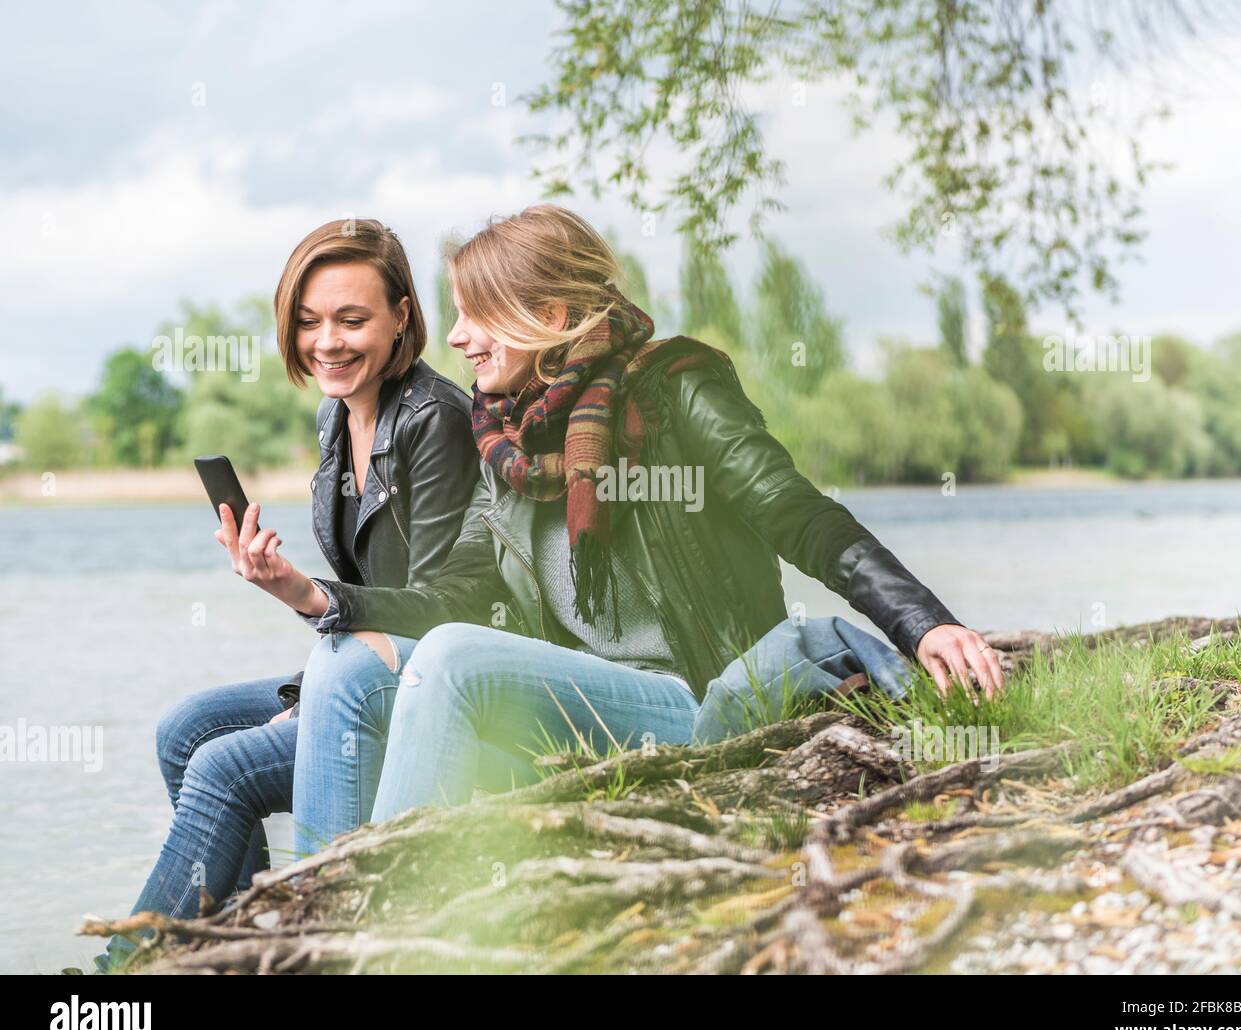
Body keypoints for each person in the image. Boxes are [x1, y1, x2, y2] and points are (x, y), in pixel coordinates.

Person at [292, 203, 1004, 833]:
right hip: (577, 706)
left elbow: (798, 513)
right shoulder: (506, 442)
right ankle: (325, 901)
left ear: (550, 318)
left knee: (451, 657)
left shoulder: (673, 390)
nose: (456, 336)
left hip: (691, 700)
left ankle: (386, 912)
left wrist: (923, 621)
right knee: (345, 664)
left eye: (476, 314)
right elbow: (459, 593)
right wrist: (329, 602)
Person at [94, 219, 479, 972]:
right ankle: (240, 944)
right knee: (184, 730)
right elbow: (367, 595)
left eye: (351, 319)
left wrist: (308, 597)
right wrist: (297, 601)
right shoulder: (337, 414)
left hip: (425, 686)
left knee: (223, 767)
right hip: (364, 662)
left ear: (402, 316)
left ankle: (121, 971)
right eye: (309, 321)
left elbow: (445, 608)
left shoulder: (436, 421)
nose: (326, 342)